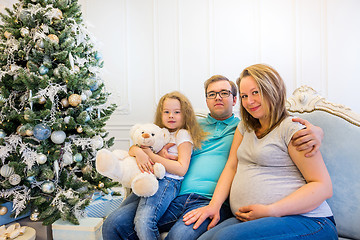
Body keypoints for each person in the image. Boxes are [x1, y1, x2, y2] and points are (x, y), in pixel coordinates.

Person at [102, 75, 324, 240]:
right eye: (212, 94)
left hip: (208, 199)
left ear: (235, 99)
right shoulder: (190, 126)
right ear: (206, 100)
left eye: (225, 93)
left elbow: (279, 124)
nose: (218, 98)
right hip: (172, 190)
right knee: (113, 224)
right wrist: (138, 151)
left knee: (178, 237)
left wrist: (317, 131)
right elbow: (149, 137)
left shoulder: (243, 127)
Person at [183, 64, 337, 240]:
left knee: (225, 238)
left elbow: (323, 186)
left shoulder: (293, 129)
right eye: (244, 96)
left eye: (256, 92)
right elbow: (232, 166)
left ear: (272, 90)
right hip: (252, 219)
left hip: (308, 221)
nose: (249, 101)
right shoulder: (245, 127)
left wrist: (271, 210)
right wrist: (214, 206)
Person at [103, 91, 206, 240]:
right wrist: (139, 152)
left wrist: (152, 156)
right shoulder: (158, 132)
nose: (171, 115)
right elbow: (134, 148)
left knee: (144, 221)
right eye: (166, 111)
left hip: (167, 181)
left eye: (177, 112)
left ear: (185, 114)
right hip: (147, 179)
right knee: (114, 218)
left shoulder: (182, 134)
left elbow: (182, 168)